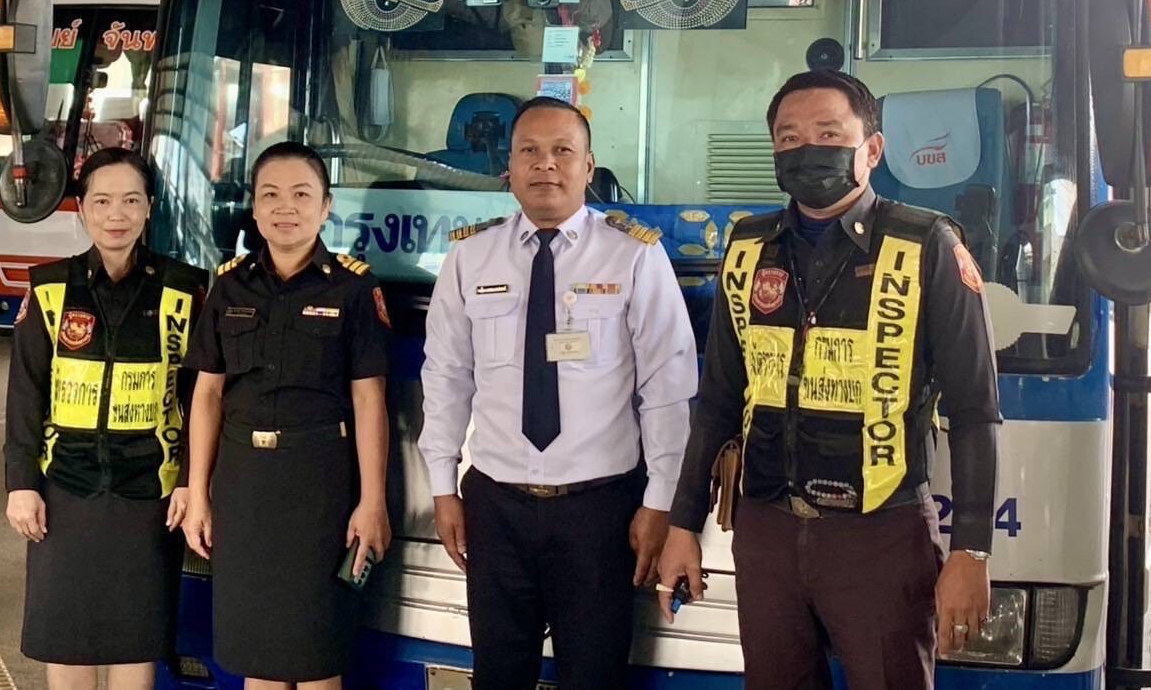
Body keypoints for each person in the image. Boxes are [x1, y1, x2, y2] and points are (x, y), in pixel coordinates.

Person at [656, 69, 1002, 690]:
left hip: (880, 533)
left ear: (872, 149)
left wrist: (971, 552)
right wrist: (684, 525)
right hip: (766, 530)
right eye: (789, 138)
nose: (807, 149)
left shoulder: (926, 245)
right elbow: (718, 402)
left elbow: (975, 409)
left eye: (828, 133)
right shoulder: (749, 247)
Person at [419, 96, 698, 690]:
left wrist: (660, 502)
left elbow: (667, 387)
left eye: (562, 151)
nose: (545, 164)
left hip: (601, 511)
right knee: (497, 675)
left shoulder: (633, 254)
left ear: (588, 166)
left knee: (595, 675)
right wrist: (443, 487)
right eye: (530, 151)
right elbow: (446, 377)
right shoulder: (470, 256)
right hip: (495, 507)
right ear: (510, 167)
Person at [180, 141, 391, 690]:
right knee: (259, 654)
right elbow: (207, 395)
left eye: (301, 194)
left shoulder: (354, 287)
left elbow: (369, 400)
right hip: (244, 486)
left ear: (326, 207)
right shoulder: (229, 284)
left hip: (321, 488)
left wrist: (372, 501)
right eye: (270, 195)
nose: (285, 208)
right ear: (253, 207)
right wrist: (198, 492)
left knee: (318, 655)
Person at [3, 147, 209, 690]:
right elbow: (25, 395)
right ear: (82, 209)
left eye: (131, 201)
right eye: (102, 201)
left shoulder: (186, 290)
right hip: (64, 488)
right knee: (67, 637)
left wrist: (191, 481)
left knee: (134, 637)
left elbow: (201, 400)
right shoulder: (50, 288)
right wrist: (21, 485)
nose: (116, 214)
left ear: (149, 208)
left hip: (150, 492)